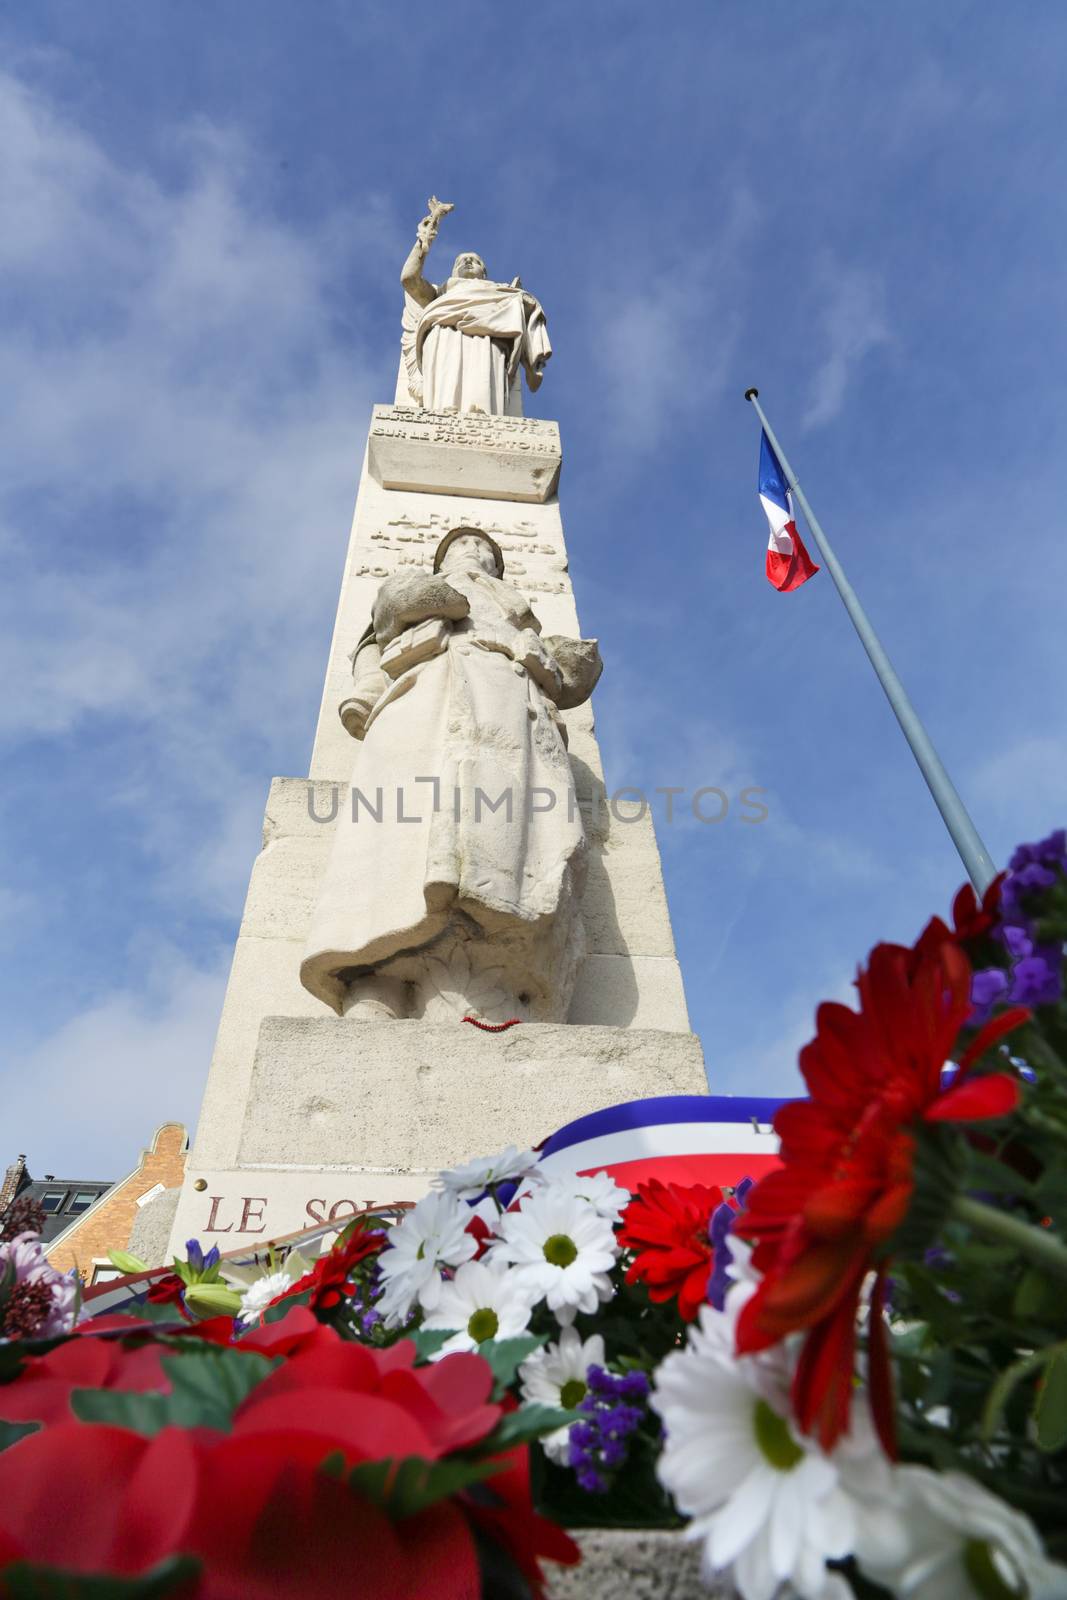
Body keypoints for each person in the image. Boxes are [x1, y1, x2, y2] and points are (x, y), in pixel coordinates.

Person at [300, 527, 601, 1025]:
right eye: (464, 547)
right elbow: (394, 612)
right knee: (401, 832)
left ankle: (489, 982)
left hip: (506, 704)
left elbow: (563, 681)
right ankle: (376, 978)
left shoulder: (516, 613)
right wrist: (441, 599)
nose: (475, 552)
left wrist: (561, 661)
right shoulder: (414, 586)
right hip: (428, 693)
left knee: (507, 844)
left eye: (485, 551)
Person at [399, 202, 551, 415]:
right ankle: (444, 413)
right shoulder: (441, 294)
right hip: (445, 335)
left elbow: (529, 312)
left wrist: (525, 303)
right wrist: (424, 240)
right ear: (453, 271)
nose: (468, 261)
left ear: (484, 272)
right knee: (448, 378)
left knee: (482, 383)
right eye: (461, 260)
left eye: (475, 260)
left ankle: (483, 416)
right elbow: (409, 279)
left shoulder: (501, 295)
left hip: (488, 340)